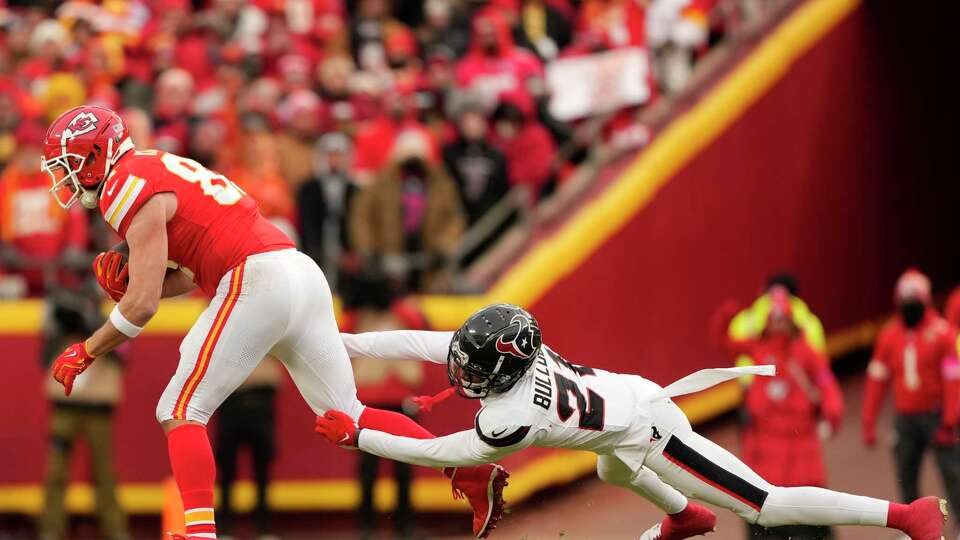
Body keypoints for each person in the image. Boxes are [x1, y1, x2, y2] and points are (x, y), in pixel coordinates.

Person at [41, 105, 508, 540]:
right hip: (296, 270)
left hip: (256, 278)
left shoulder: (124, 183)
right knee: (350, 416)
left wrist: (88, 349)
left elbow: (141, 307)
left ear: (93, 156)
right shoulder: (154, 164)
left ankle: (201, 534)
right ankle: (468, 470)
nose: (61, 178)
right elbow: (187, 274)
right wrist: (137, 287)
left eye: (64, 164)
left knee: (179, 410)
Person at [317, 303, 950, 540]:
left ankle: (903, 517)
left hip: (653, 428)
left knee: (766, 505)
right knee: (608, 466)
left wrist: (360, 437)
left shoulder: (510, 416)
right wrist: (339, 342)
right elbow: (415, 341)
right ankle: (684, 516)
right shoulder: (515, 353)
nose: (462, 372)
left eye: (475, 368)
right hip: (627, 406)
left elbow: (440, 452)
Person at [713, 287, 844, 540]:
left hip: (800, 446)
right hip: (764, 445)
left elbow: (826, 384)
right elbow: (724, 343)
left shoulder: (806, 353)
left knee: (808, 507)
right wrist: (725, 318)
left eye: (783, 319)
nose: (779, 325)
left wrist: (833, 414)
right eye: (774, 320)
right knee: (763, 509)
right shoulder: (757, 348)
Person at [862, 269, 960, 530]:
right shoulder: (889, 336)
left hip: (937, 415)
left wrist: (950, 419)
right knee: (906, 474)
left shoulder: (942, 333)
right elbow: (877, 379)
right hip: (905, 418)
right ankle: (914, 527)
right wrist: (868, 420)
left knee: (953, 473)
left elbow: (953, 379)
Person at [340, 269, 429, 540]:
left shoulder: (399, 315)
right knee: (371, 469)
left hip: (391, 401)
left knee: (399, 468)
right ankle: (372, 525)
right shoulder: (363, 318)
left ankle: (395, 525)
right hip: (371, 403)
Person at [215, 358, 281, 540]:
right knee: (226, 471)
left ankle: (263, 528)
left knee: (262, 471)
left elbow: (275, 377)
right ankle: (224, 528)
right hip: (230, 404)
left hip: (261, 403)